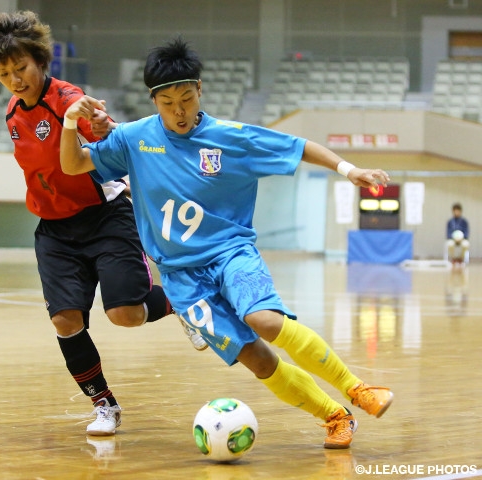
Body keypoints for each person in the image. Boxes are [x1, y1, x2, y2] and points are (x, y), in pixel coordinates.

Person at [60, 37, 395, 449]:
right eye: (167, 103)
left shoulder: (231, 137)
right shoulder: (133, 138)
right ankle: (334, 416)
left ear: (200, 90)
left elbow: (298, 147)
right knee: (256, 358)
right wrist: (70, 124)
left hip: (230, 253)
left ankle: (357, 388)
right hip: (183, 278)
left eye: (186, 98)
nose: (179, 111)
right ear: (153, 100)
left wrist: (348, 169)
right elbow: (73, 163)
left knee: (266, 322)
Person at [0, 11, 206, 437]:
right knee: (64, 321)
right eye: (4, 72)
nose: (15, 79)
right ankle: (104, 405)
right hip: (54, 230)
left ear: (41, 61)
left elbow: (104, 131)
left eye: (21, 67)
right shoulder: (12, 113)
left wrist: (101, 125)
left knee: (125, 315)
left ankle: (178, 301)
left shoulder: (66, 98)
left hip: (104, 216)